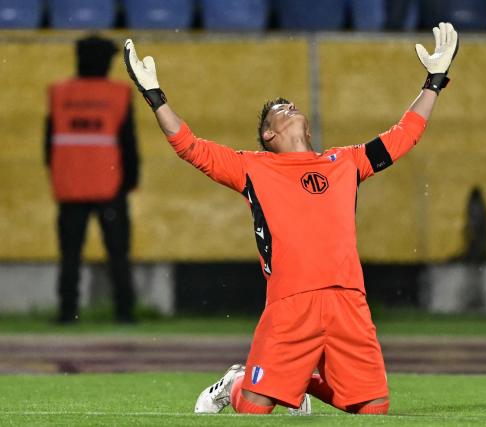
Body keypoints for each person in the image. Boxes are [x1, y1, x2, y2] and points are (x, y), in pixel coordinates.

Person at [123, 22, 458, 415]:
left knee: (374, 412)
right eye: (279, 111)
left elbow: (405, 134)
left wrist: (434, 81)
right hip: (290, 303)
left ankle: (298, 385)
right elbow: (190, 147)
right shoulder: (254, 167)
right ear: (268, 135)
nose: (290, 107)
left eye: (291, 106)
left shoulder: (345, 161)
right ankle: (238, 381)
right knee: (252, 411)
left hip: (347, 298)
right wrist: (154, 95)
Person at [45, 35, 139, 324]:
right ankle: (124, 312)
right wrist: (130, 180)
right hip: (110, 187)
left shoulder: (60, 93)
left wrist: (59, 175)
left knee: (70, 255)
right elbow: (128, 143)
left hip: (70, 187)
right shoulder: (118, 94)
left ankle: (66, 312)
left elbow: (48, 144)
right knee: (118, 254)